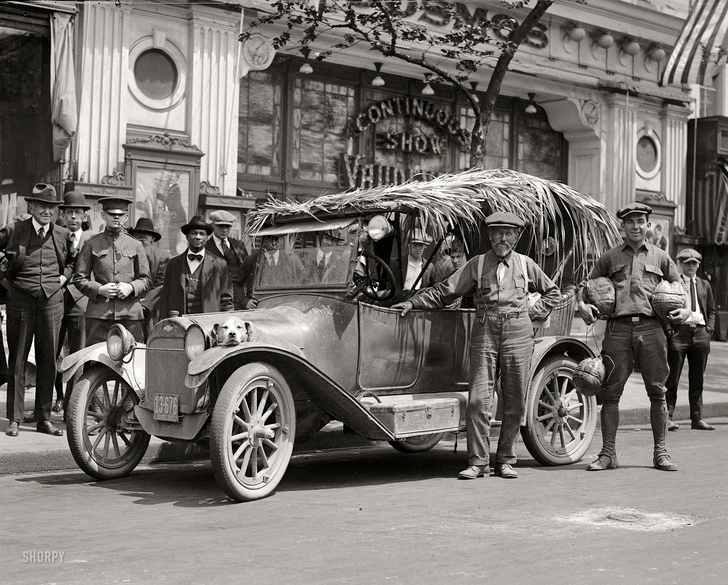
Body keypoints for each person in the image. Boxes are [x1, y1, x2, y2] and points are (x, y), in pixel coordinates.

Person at [393, 212, 561, 479]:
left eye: (508, 234)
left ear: (516, 237)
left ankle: (505, 460)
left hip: (518, 332)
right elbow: (445, 290)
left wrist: (533, 312)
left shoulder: (526, 265)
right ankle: (478, 462)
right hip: (485, 331)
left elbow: (553, 292)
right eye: (497, 234)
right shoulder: (478, 264)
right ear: (490, 237)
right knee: (479, 401)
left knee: (515, 401)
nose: (502, 239)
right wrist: (413, 302)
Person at [577, 202, 690, 473]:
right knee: (611, 394)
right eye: (630, 222)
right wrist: (582, 305)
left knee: (657, 393)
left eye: (640, 221)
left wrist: (685, 310)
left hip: (652, 330)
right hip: (617, 331)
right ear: (623, 227)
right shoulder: (609, 257)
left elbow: (681, 286)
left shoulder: (661, 257)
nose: (636, 226)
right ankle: (607, 454)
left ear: (648, 225)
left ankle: (661, 453)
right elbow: (586, 286)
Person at [0, 183, 74, 437]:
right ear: (31, 207)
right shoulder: (13, 230)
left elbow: (73, 261)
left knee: (48, 361)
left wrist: (64, 277)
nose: (46, 211)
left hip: (52, 302)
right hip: (20, 300)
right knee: (18, 360)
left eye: (51, 207)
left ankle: (44, 418)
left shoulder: (62, 234)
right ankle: (15, 418)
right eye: (42, 206)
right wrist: (5, 281)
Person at [73, 196, 151, 346]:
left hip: (130, 315)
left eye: (121, 215)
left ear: (126, 217)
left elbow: (146, 280)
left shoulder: (135, 245)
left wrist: (131, 287)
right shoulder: (91, 244)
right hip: (99, 315)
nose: (116, 217)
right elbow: (79, 278)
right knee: (96, 361)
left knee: (132, 361)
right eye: (111, 214)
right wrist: (99, 289)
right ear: (103, 216)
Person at [665, 248, 716, 432]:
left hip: (701, 333)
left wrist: (709, 330)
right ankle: (667, 418)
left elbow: (711, 310)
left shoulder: (704, 284)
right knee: (672, 378)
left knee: (697, 379)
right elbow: (665, 309)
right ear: (680, 264)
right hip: (680, 334)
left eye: (694, 264)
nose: (691, 267)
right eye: (687, 263)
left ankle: (697, 418)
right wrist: (671, 332)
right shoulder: (673, 284)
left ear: (698, 265)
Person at [54, 190, 93, 415]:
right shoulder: (54, 236)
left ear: (84, 217)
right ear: (64, 214)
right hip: (55, 300)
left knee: (78, 354)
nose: (74, 217)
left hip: (80, 302)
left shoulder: (91, 240)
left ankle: (72, 405)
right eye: (69, 212)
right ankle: (57, 397)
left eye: (78, 212)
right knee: (52, 353)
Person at [158, 216, 234, 318]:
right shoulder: (174, 263)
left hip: (208, 321)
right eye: (194, 233)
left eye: (202, 234)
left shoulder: (219, 264)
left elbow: (226, 299)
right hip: (179, 320)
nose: (198, 237)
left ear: (207, 237)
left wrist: (226, 323)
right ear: (187, 236)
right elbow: (165, 297)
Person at [128, 217, 170, 340]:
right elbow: (161, 285)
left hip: (134, 306)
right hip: (150, 306)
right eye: (139, 233)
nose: (142, 236)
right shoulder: (163, 255)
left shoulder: (126, 253)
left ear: (152, 238)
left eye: (146, 233)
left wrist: (143, 304)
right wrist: (146, 304)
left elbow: (162, 284)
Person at [206, 210, 248, 309]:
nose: (224, 230)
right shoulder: (205, 248)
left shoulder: (239, 245)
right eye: (221, 226)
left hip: (239, 298)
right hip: (216, 298)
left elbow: (247, 271)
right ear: (213, 226)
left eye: (228, 226)